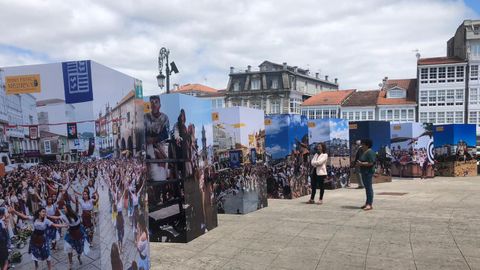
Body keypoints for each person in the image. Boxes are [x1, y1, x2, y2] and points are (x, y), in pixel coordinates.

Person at [357, 139, 376, 211]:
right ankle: (367, 202)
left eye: (363, 144)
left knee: (369, 188)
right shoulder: (365, 152)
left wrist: (361, 164)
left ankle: (369, 204)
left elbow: (371, 163)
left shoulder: (370, 152)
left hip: (368, 172)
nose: (362, 146)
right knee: (367, 188)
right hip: (364, 172)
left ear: (367, 145)